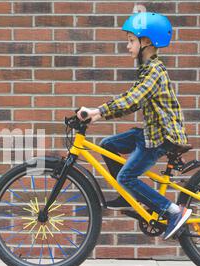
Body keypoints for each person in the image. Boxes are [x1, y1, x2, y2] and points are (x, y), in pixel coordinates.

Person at [76, 12, 192, 240]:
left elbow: (134, 100)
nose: (128, 46)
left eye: (131, 41)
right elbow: (131, 95)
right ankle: (127, 196)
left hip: (160, 138)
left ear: (146, 42)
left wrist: (98, 112)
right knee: (107, 145)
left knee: (126, 177)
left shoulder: (155, 71)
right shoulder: (147, 70)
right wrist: (100, 111)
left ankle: (173, 212)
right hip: (150, 133)